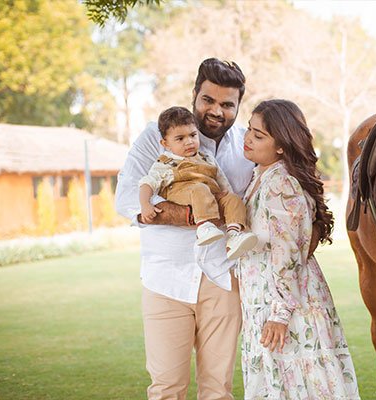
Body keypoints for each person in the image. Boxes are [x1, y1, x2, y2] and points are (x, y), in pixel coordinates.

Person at [115, 58, 254, 400]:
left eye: (227, 104)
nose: (216, 111)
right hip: (166, 279)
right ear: (195, 95)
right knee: (166, 388)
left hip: (223, 280)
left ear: (238, 106)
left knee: (218, 389)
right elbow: (127, 198)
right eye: (208, 100)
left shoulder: (245, 147)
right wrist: (193, 217)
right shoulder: (157, 137)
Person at [237, 99, 360, 399]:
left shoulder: (281, 184)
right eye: (249, 130)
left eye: (259, 135)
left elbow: (288, 253)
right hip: (262, 303)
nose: (248, 139)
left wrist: (279, 314)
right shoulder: (260, 176)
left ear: (281, 145)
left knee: (299, 386)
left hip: (286, 308)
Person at [138, 105, 257, 260]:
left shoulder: (206, 157)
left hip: (207, 194)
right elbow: (147, 183)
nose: (189, 142)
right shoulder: (166, 163)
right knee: (200, 189)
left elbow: (220, 178)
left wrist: (226, 196)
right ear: (166, 144)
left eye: (193, 135)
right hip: (182, 193)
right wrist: (145, 205)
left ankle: (234, 234)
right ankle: (204, 227)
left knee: (232, 198)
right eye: (180, 139)